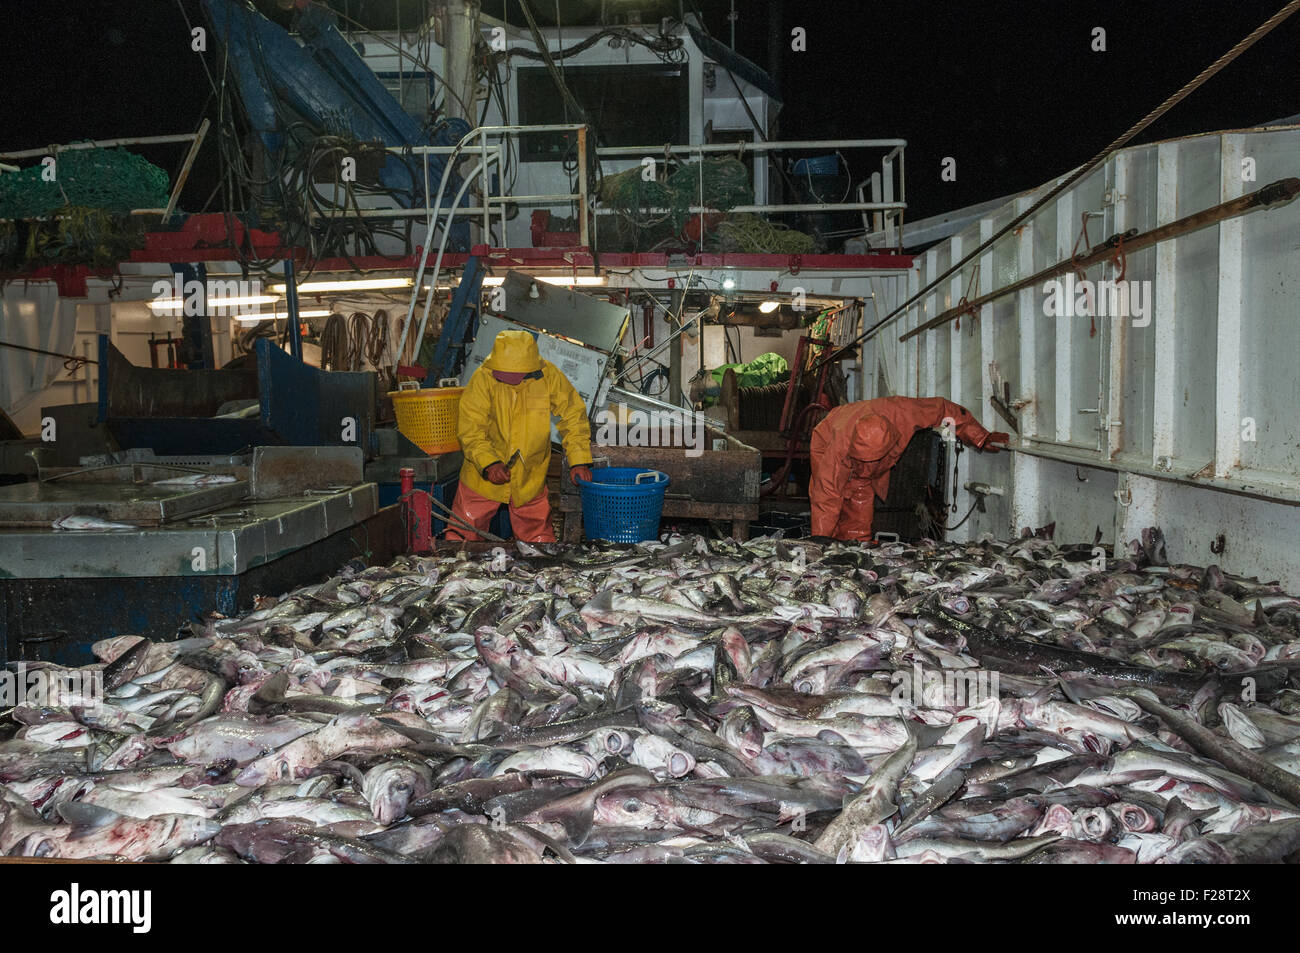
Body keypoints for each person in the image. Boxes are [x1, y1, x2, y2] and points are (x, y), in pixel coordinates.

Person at [446, 329, 593, 542]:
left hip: (529, 478)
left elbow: (573, 417)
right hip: (481, 477)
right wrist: (489, 463)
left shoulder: (548, 376)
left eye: (510, 373)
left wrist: (579, 461)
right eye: (500, 371)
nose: (502, 376)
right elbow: (471, 429)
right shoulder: (483, 378)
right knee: (460, 541)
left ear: (528, 369)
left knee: (540, 547)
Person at [809, 396, 1009, 541]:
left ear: (891, 441)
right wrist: (819, 542)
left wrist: (981, 437)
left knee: (860, 503)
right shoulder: (837, 451)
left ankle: (856, 544)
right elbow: (825, 499)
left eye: (873, 462)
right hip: (827, 437)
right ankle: (832, 549)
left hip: (858, 440)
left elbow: (944, 410)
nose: (868, 469)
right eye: (863, 462)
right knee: (834, 505)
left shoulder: (904, 413)